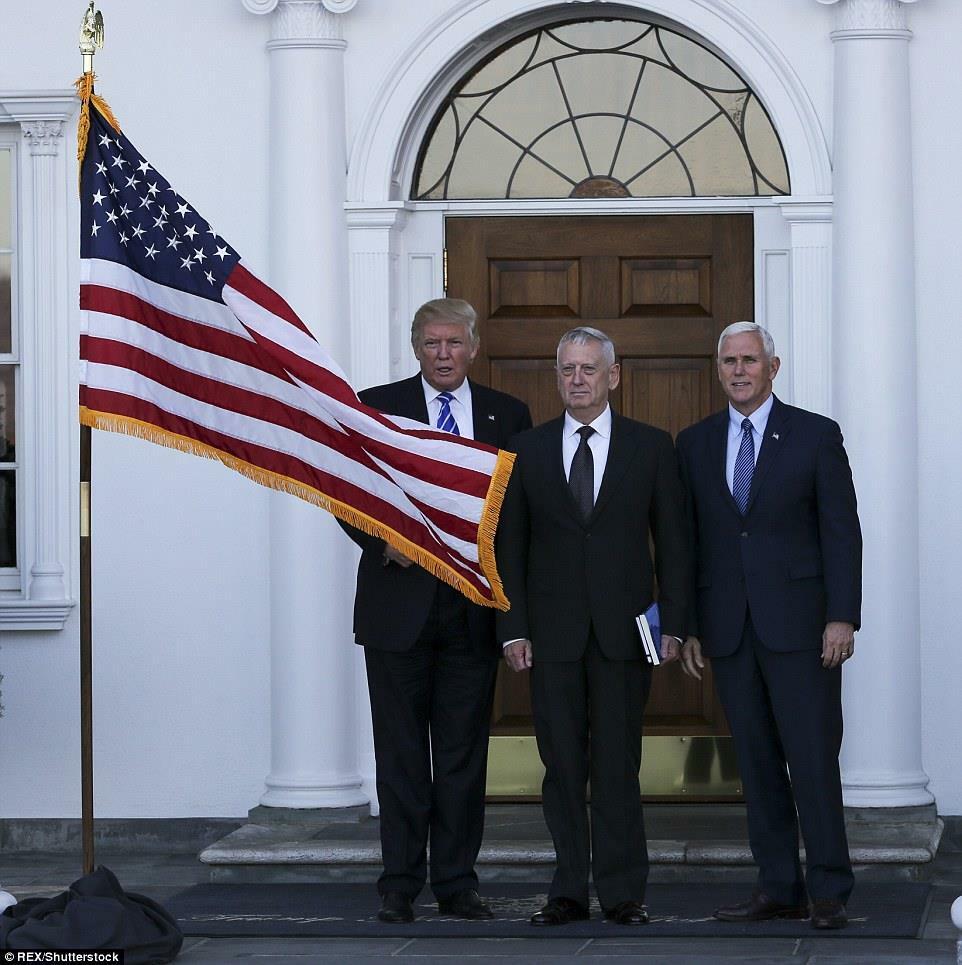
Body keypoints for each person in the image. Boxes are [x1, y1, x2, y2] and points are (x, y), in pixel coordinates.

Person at [343, 298, 532, 924]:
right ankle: (399, 883)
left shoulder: (509, 415)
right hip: (398, 610)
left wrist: (511, 613)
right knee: (399, 753)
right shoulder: (374, 406)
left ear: (474, 346)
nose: (443, 354)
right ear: (415, 346)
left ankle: (456, 883)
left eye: (454, 343)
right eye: (432, 343)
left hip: (473, 613)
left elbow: (516, 520)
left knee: (461, 756)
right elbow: (345, 494)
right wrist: (382, 542)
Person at [496, 326, 688, 926]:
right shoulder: (524, 450)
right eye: (567, 370)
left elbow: (676, 547)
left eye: (588, 369)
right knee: (562, 770)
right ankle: (568, 891)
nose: (577, 380)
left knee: (617, 766)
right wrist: (513, 628)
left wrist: (674, 626)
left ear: (614, 375)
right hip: (550, 638)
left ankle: (624, 891)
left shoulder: (652, 447)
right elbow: (509, 548)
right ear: (558, 377)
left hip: (626, 635)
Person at [676, 321, 862, 930]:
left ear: (772, 368)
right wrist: (690, 624)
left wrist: (842, 616)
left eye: (749, 360)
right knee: (755, 764)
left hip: (804, 630)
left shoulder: (815, 435)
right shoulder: (696, 443)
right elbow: (689, 542)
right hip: (729, 630)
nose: (738, 370)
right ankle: (778, 885)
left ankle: (829, 889)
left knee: (811, 759)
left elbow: (841, 532)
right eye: (728, 361)